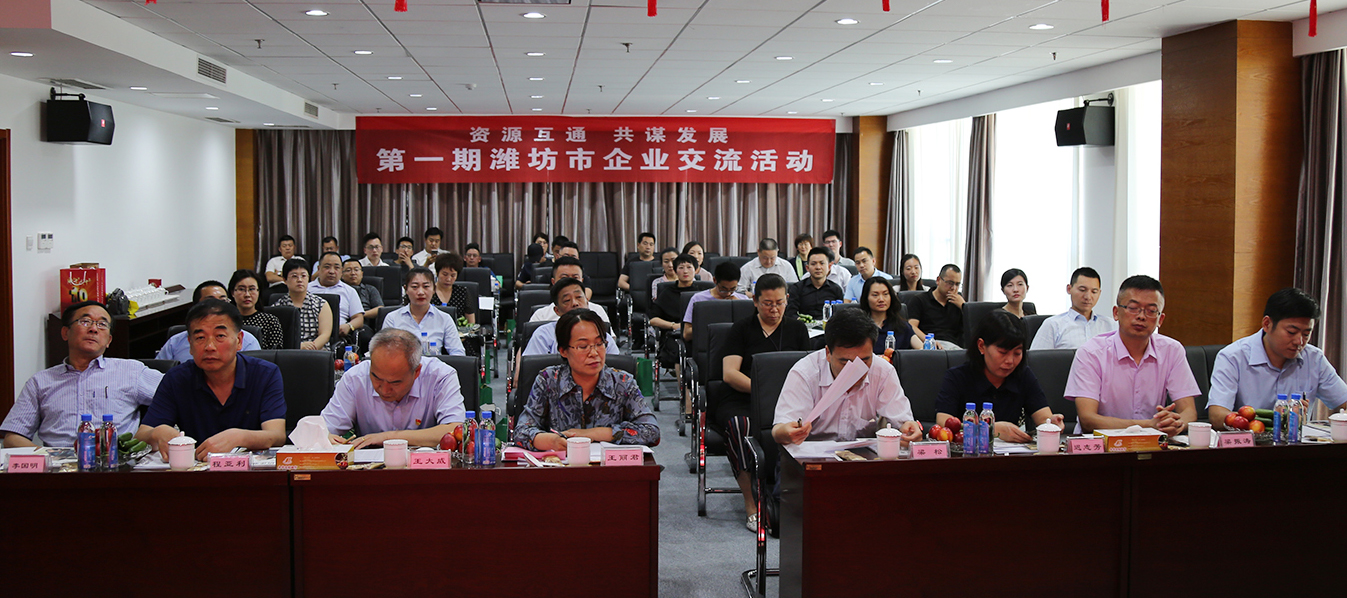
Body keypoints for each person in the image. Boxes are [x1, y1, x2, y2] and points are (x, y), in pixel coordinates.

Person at [714, 273, 811, 529]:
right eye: (768, 303)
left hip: (787, 402)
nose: (774, 309)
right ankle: (751, 502)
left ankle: (789, 495)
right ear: (755, 302)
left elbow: (809, 372)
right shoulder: (741, 328)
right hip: (743, 399)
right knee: (740, 426)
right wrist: (764, 392)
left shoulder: (797, 329)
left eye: (780, 303)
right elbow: (730, 374)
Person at [136, 299, 287, 460]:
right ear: (190, 344)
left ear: (239, 341)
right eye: (200, 338)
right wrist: (157, 432)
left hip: (248, 469)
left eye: (220, 336)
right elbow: (141, 435)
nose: (210, 346)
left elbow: (276, 435)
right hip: (196, 468)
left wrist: (239, 437)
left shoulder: (265, 373)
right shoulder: (177, 378)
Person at [1, 301, 164, 448]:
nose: (93, 329)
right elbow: (13, 437)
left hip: (114, 462)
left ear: (109, 340)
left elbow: (174, 393)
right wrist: (45, 458)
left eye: (102, 324)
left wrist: (155, 431)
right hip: (57, 465)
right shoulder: (40, 381)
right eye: (85, 321)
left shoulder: (131, 371)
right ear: (65, 333)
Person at [1063, 275, 1201, 435]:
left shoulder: (1172, 350)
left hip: (1154, 443)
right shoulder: (1091, 353)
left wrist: (1174, 424)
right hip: (1101, 445)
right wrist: (1148, 426)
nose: (1141, 316)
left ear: (1160, 320)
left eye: (1151, 311)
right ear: (1116, 313)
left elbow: (1189, 412)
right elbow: (1088, 420)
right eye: (1133, 308)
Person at [515, 309, 660, 451]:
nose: (594, 353)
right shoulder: (548, 380)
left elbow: (652, 432)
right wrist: (552, 442)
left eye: (599, 343)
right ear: (563, 351)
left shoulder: (622, 382)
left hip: (608, 465)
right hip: (561, 464)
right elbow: (521, 431)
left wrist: (593, 434)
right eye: (583, 346)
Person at [772, 307, 923, 442]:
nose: (856, 370)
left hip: (862, 457)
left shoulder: (882, 371)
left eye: (864, 360)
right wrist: (786, 432)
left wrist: (908, 429)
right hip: (811, 455)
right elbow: (779, 430)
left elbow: (902, 421)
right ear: (828, 353)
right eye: (846, 363)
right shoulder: (805, 373)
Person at [1208, 288, 1347, 428]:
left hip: (1298, 441)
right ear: (1267, 324)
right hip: (1248, 440)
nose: (1299, 341)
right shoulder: (1233, 357)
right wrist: (1273, 419)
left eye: (1306, 334)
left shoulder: (1314, 359)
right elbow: (1217, 415)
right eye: (1291, 332)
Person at [321, 328, 466, 448]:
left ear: (416, 372)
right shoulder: (355, 378)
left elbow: (454, 430)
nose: (384, 389)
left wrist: (388, 438)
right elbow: (323, 429)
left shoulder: (440, 376)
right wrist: (324, 436)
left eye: (395, 383)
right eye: (376, 378)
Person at [935, 311, 1065, 441]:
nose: (1010, 361)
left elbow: (1043, 417)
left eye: (1017, 353)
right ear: (981, 346)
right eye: (1003, 352)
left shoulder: (1023, 374)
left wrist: (1052, 423)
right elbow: (943, 422)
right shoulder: (957, 377)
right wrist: (990, 429)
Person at [157, 280, 263, 361]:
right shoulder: (175, 343)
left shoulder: (247, 341)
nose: (218, 307)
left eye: (223, 301)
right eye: (211, 301)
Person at [522, 278, 620, 357]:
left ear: (587, 301)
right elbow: (532, 369)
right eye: (567, 300)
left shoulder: (601, 334)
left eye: (579, 297)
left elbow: (616, 367)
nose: (575, 303)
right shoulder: (543, 335)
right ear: (557, 310)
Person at [381, 267, 467, 356]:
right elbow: (384, 352)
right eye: (415, 287)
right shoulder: (392, 318)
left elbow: (458, 353)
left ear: (434, 289)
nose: (421, 292)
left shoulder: (444, 319)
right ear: (406, 289)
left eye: (426, 286)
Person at [1029, 267, 1117, 350]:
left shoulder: (1111, 325)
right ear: (1069, 289)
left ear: (1099, 293)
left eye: (1094, 292)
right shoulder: (1053, 325)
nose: (1088, 297)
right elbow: (1037, 359)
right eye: (1082, 290)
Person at [649, 253, 700, 369]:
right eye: (681, 268)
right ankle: (681, 381)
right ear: (676, 271)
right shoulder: (667, 293)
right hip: (673, 335)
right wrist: (673, 325)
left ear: (696, 270)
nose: (685, 271)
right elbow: (653, 319)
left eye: (689, 267)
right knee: (679, 351)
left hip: (697, 333)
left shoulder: (703, 292)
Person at [270, 258, 333, 351]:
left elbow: (325, 335)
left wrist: (310, 348)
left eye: (303, 276)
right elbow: (276, 339)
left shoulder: (321, 304)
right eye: (294, 276)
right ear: (285, 280)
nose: (299, 280)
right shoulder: (277, 307)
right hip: (288, 352)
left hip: (317, 352)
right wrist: (297, 347)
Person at [310, 252, 366, 349]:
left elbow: (359, 318)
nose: (332, 271)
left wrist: (349, 326)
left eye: (336, 268)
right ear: (318, 269)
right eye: (327, 267)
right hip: (308, 334)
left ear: (341, 271)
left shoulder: (349, 291)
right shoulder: (307, 289)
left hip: (337, 336)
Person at [682, 261, 749, 341]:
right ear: (714, 280)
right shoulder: (698, 299)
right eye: (723, 289)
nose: (728, 293)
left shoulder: (743, 300)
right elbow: (686, 334)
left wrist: (739, 307)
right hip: (708, 343)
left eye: (732, 289)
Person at [530, 257, 606, 322]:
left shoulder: (597, 311)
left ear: (582, 281)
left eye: (575, 278)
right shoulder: (541, 316)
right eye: (564, 278)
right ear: (553, 282)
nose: (570, 282)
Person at [907, 264, 964, 349]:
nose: (953, 288)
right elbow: (912, 326)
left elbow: (972, 328)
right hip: (929, 345)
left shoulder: (959, 302)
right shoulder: (919, 300)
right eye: (950, 283)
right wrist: (929, 341)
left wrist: (964, 306)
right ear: (938, 280)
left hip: (954, 347)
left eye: (957, 284)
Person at [859, 277, 921, 352]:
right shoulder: (859, 328)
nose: (881, 299)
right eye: (875, 295)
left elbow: (921, 351)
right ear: (866, 298)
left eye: (885, 294)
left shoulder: (902, 326)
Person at [229, 270, 284, 350]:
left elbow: (275, 353)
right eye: (241, 289)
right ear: (232, 293)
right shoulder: (227, 321)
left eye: (252, 289)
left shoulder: (270, 321)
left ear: (258, 291)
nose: (247, 294)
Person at [417, 252, 475, 325]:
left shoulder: (463, 292)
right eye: (445, 274)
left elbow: (471, 321)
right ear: (437, 273)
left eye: (453, 275)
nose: (448, 279)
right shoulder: (427, 291)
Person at [787, 248, 843, 320]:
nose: (818, 267)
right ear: (807, 268)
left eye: (822, 263)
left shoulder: (836, 289)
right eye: (813, 264)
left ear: (829, 266)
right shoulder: (797, 288)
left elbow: (840, 314)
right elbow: (791, 313)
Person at [342, 257, 384, 323]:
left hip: (364, 322)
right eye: (348, 270)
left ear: (362, 274)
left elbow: (380, 308)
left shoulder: (370, 289)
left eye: (356, 270)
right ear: (342, 275)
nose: (353, 273)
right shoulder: (339, 289)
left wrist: (359, 315)